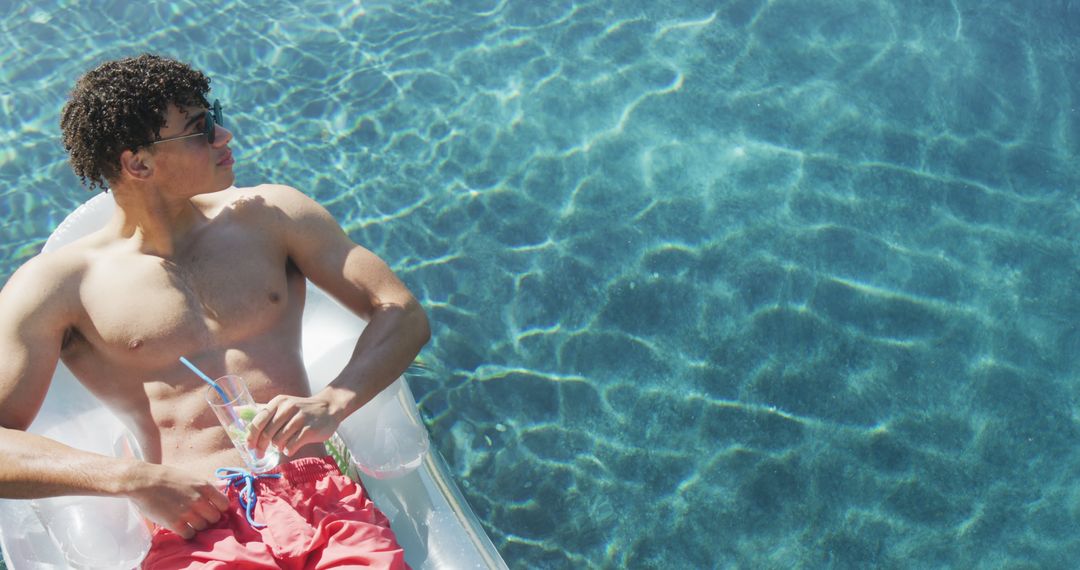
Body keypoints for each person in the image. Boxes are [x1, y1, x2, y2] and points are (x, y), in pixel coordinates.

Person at [0, 54, 430, 568]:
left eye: (215, 114)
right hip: (194, 523)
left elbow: (401, 310)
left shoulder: (274, 216)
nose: (224, 134)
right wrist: (132, 479)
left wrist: (333, 402)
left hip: (322, 497)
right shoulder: (59, 285)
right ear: (138, 163)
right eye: (200, 128)